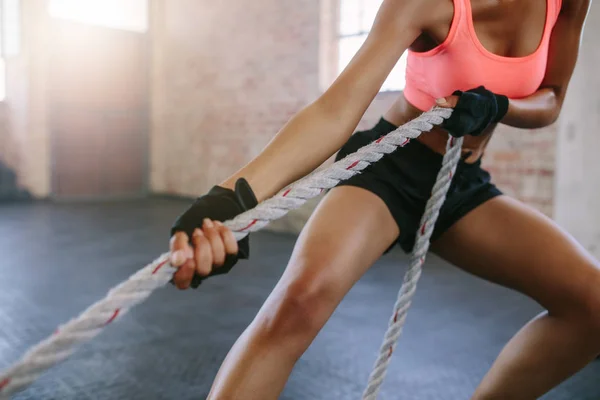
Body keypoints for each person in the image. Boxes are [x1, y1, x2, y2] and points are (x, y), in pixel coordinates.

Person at [168, 0, 597, 398]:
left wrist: (497, 106)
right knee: (298, 304)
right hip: (390, 165)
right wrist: (231, 198)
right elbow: (336, 109)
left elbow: (552, 98)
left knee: (592, 304)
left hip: (459, 181)